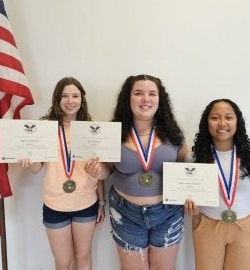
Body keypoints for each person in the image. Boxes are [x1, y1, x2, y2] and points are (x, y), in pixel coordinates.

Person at [18, 77, 110, 270]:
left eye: (75, 96)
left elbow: (98, 171)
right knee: (63, 263)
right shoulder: (45, 128)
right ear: (57, 99)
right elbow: (37, 169)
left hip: (86, 203)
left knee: (83, 258)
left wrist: (101, 203)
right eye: (65, 96)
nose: (70, 101)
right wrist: (28, 162)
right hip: (54, 204)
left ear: (81, 99)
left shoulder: (92, 129)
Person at [108, 74, 189, 270]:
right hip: (125, 212)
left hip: (168, 212)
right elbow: (106, 171)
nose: (146, 99)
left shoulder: (173, 133)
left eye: (152, 94)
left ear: (160, 100)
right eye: (138, 93)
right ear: (128, 98)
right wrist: (95, 170)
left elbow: (183, 166)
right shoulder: (112, 133)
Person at [184, 98, 250, 270]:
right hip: (207, 226)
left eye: (229, 117)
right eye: (215, 118)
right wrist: (188, 208)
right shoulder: (194, 159)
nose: (222, 123)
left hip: (244, 228)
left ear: (237, 122)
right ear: (206, 123)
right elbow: (184, 195)